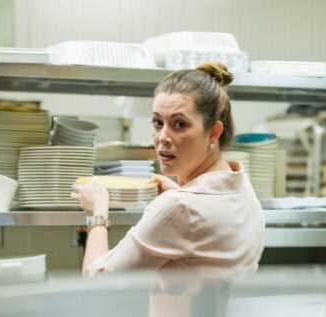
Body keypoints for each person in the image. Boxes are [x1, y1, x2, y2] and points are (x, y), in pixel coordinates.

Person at [71, 61, 265, 277]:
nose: (163, 137)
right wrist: (177, 192)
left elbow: (97, 281)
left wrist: (98, 212)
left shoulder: (178, 207)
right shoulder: (242, 187)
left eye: (179, 124)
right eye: (157, 122)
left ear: (213, 132)